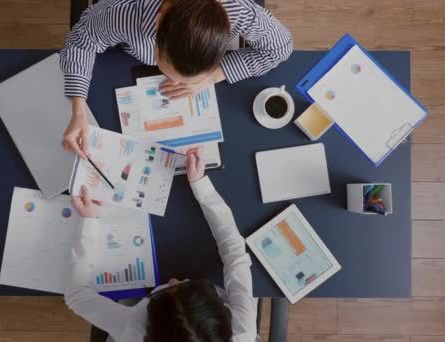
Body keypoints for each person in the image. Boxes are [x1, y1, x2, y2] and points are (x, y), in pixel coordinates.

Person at [60, 0, 294, 158]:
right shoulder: (123, 15)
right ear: (159, 23)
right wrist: (78, 111)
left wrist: (213, 76)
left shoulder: (238, 11)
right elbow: (81, 41)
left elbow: (281, 47)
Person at [65, 150, 256, 341]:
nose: (173, 280)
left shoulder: (133, 329)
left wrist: (88, 222)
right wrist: (202, 187)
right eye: (183, 284)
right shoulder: (241, 330)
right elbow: (234, 253)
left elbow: (77, 295)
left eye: (163, 293)